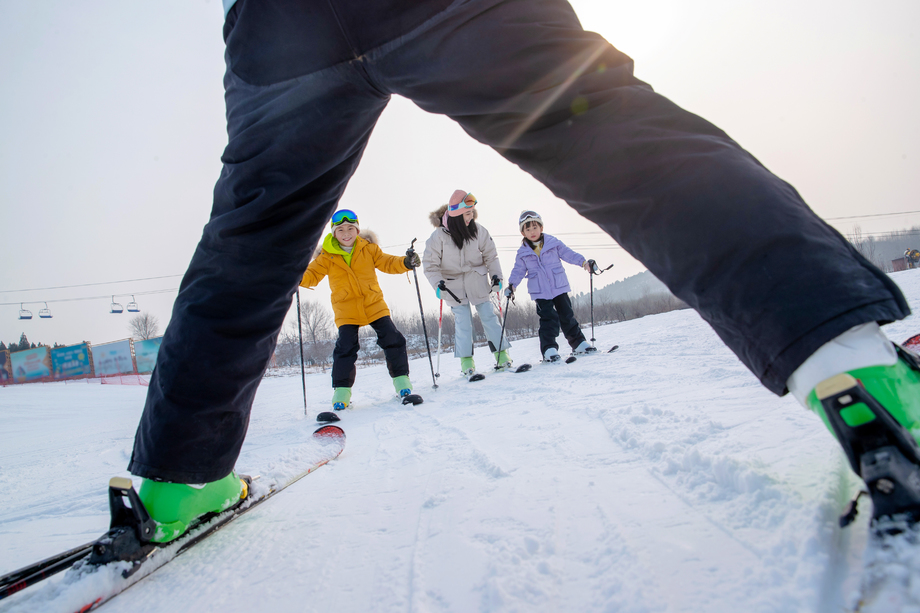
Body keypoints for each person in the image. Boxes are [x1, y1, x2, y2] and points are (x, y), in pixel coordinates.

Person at [126, 0, 918, 544]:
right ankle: (850, 363)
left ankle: (178, 479)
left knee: (251, 234)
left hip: (277, 27)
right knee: (603, 127)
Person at [299, 209, 420, 411]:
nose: (346, 233)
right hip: (346, 309)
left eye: (350, 228)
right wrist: (294, 273)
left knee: (393, 338)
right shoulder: (326, 257)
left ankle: (402, 384)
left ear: (357, 230)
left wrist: (405, 262)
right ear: (334, 233)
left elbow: (388, 262)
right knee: (345, 348)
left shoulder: (368, 249)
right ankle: (341, 393)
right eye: (341, 230)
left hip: (373, 304)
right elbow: (311, 276)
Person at [423, 190, 511, 377]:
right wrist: (438, 285)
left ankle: (502, 355)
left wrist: (496, 277)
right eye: (467, 213)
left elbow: (491, 255)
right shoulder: (438, 237)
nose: (471, 217)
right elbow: (430, 265)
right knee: (463, 322)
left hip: (476, 280)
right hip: (452, 287)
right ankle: (467, 362)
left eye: (472, 212)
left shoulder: (478, 230)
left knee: (488, 316)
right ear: (456, 215)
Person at [506, 210, 595, 362]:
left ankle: (578, 343)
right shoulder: (523, 253)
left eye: (535, 227)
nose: (532, 232)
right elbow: (518, 271)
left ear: (541, 227)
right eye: (528, 229)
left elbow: (568, 254)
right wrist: (512, 285)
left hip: (558, 286)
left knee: (567, 315)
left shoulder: (553, 243)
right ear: (523, 233)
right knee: (548, 319)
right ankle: (549, 349)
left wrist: (583, 262)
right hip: (540, 291)